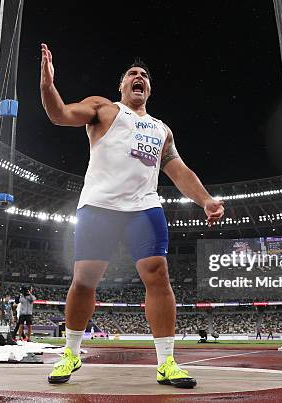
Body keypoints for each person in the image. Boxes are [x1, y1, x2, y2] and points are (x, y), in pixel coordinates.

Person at [40, 43, 224, 388]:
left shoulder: (161, 129)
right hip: (99, 206)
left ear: (149, 89)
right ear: (122, 87)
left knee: (158, 274)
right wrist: (47, 86)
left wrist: (206, 200)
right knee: (84, 280)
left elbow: (178, 170)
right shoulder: (103, 109)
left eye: (144, 76)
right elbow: (60, 114)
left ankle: (167, 362)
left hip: (144, 206)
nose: (139, 77)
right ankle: (71, 353)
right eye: (132, 74)